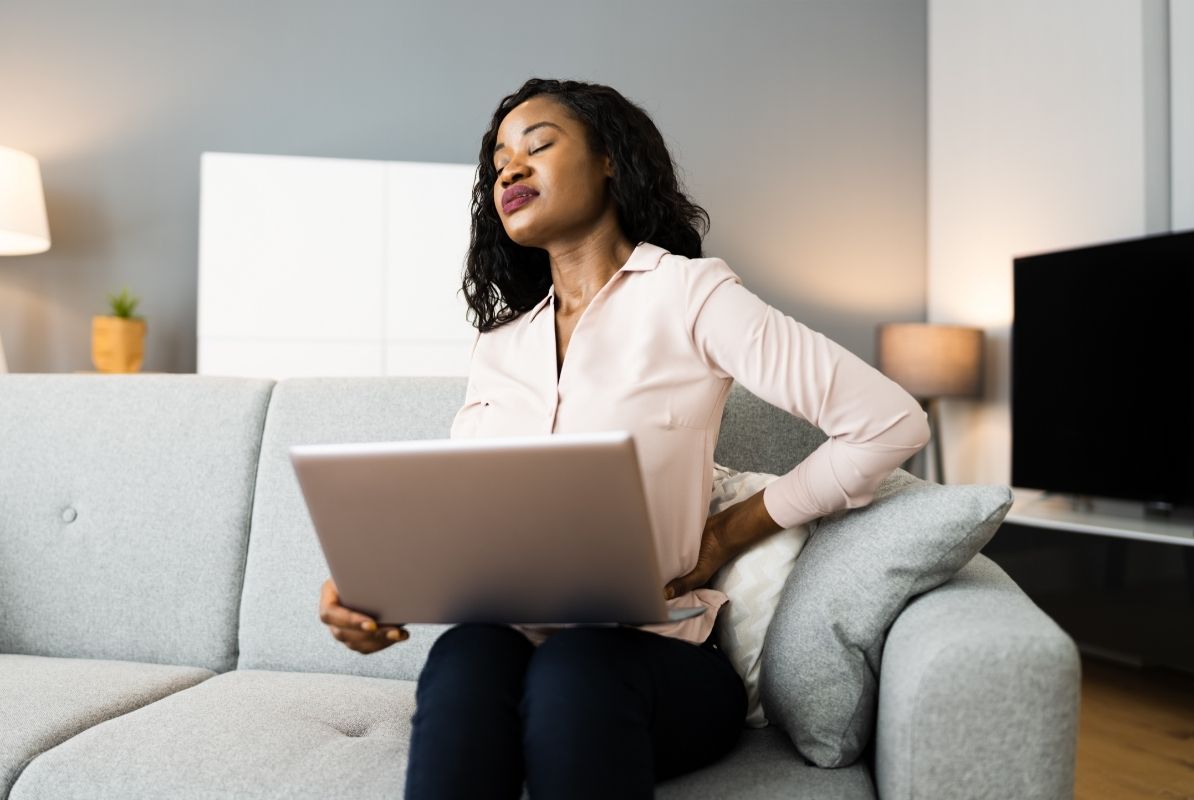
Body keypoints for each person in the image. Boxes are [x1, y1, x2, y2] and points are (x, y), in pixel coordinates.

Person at [317, 77, 931, 799]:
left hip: (653, 661)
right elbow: (466, 515)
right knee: (465, 655)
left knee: (576, 667)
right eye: (497, 161)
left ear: (610, 159)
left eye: (538, 146)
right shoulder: (499, 345)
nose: (509, 168)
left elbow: (890, 421)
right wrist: (369, 589)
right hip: (511, 645)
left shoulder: (691, 296)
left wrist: (727, 535)